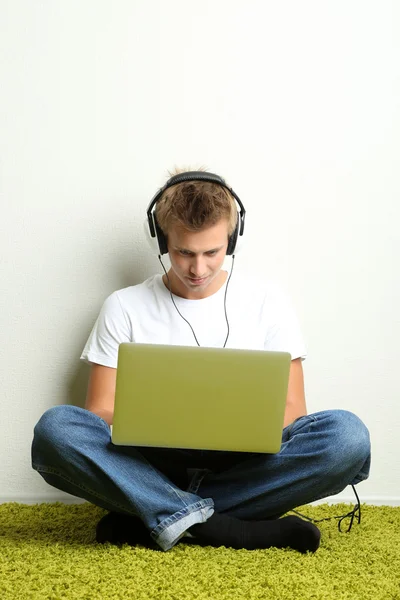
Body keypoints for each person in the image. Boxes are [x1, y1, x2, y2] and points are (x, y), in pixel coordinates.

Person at [31, 168, 371, 553]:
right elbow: (98, 412)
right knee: (55, 429)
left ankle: (158, 514)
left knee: (347, 437)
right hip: (149, 466)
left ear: (232, 238)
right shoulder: (123, 306)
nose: (198, 269)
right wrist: (165, 421)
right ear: (162, 240)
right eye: (184, 252)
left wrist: (232, 425)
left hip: (245, 469)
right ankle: (226, 529)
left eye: (212, 252)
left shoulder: (268, 302)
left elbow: (293, 412)